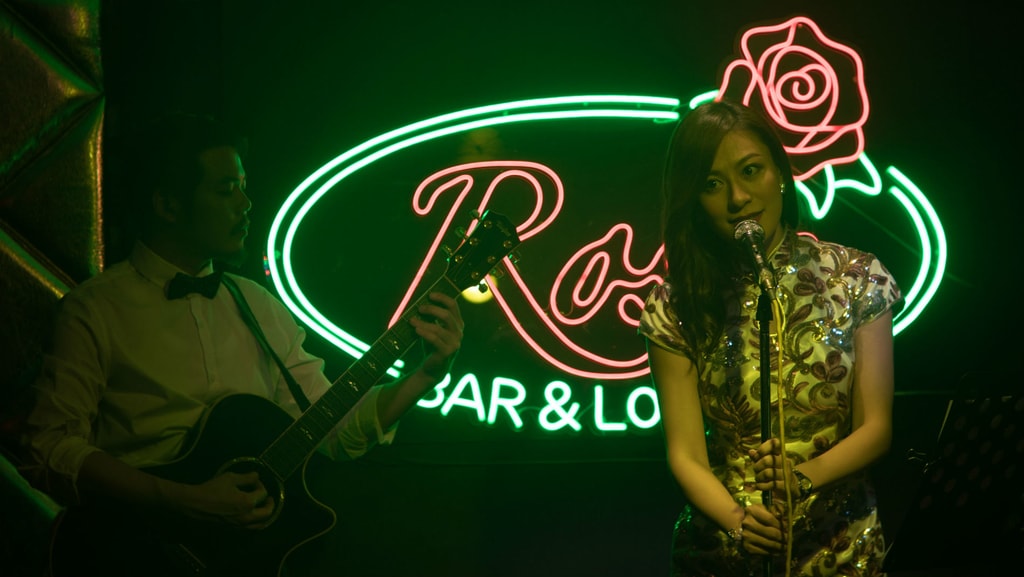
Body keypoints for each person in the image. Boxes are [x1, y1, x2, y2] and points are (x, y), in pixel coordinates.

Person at [19, 112, 464, 576]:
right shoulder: (94, 309)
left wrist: (425, 376)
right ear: (168, 205)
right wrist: (179, 499)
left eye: (244, 187)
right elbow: (47, 447)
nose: (246, 204)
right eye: (226, 189)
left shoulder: (259, 305)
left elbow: (333, 432)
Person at [639, 99, 901, 577]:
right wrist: (737, 523)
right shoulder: (675, 304)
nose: (738, 197)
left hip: (841, 545)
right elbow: (685, 454)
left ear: (779, 172)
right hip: (727, 548)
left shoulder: (858, 278)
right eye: (712, 184)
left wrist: (801, 479)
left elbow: (876, 429)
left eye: (751, 170)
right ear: (692, 199)